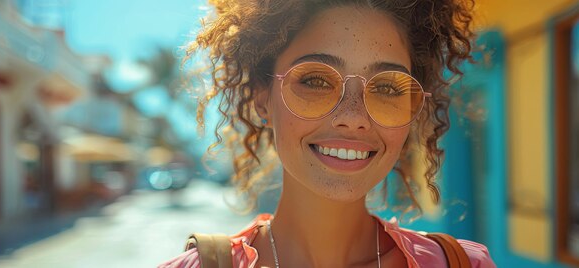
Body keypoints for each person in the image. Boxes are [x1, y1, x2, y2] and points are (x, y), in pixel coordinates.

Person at [161, 0, 496, 267]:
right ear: (262, 98)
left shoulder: (464, 263)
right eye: (316, 81)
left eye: (388, 88)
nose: (353, 117)